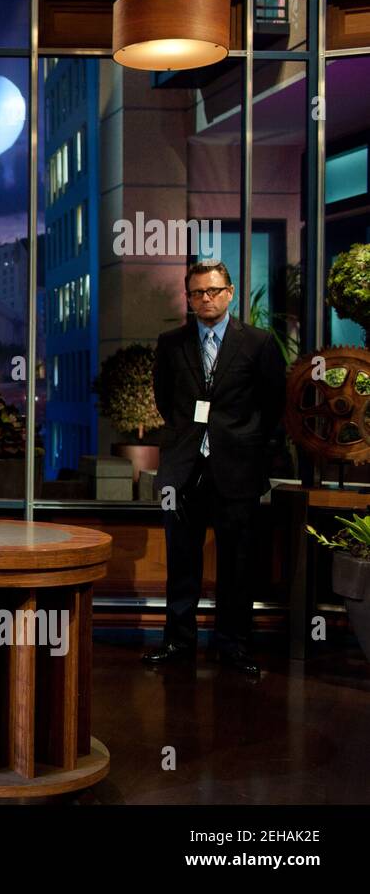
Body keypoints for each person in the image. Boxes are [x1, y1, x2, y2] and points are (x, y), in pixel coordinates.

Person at [143, 261, 285, 676]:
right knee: (181, 560)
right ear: (188, 298)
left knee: (237, 564)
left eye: (212, 291)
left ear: (231, 292)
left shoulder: (258, 343)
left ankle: (234, 646)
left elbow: (272, 404)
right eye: (196, 293)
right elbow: (166, 401)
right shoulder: (171, 343)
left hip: (237, 467)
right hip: (184, 467)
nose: (205, 298)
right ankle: (178, 642)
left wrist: (245, 441)